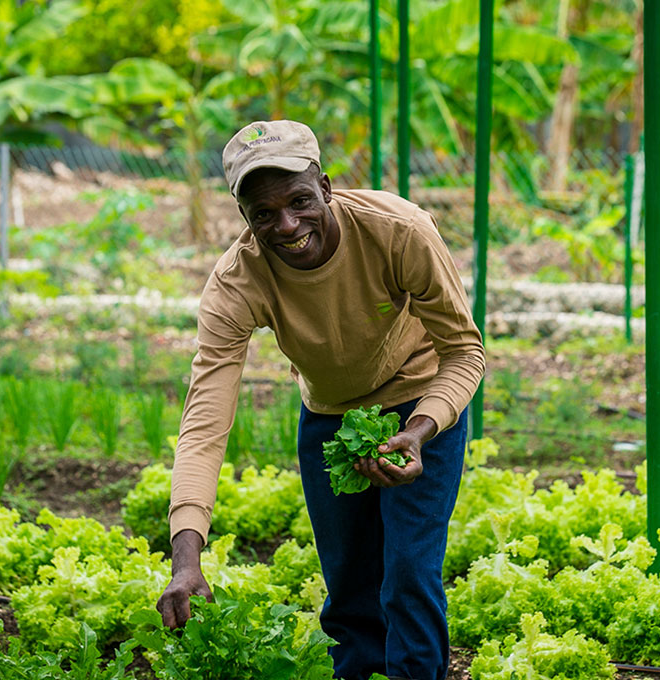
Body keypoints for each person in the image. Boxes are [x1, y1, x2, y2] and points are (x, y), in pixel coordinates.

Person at [156, 119, 486, 680]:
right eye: (263, 213)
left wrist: (421, 429)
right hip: (331, 417)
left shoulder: (398, 231)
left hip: (422, 404)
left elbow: (463, 351)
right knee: (350, 585)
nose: (287, 225)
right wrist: (187, 557)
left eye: (301, 200)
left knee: (408, 571)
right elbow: (205, 421)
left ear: (327, 187)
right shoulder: (237, 282)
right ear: (245, 219)